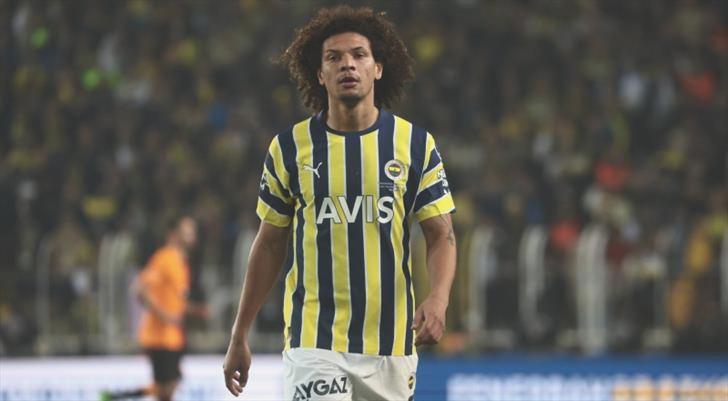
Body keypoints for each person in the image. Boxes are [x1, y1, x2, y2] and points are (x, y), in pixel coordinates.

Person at [223, 6, 457, 400]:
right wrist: (239, 333)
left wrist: (438, 298)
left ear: (377, 68)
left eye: (359, 55)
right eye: (334, 57)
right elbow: (269, 243)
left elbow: (441, 235)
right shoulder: (289, 148)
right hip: (315, 342)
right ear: (319, 74)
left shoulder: (415, 145)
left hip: (392, 347)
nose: (347, 64)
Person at [102, 216, 207, 401]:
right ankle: (117, 396)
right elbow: (139, 289)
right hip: (160, 337)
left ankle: (116, 396)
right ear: (173, 234)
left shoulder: (182, 263)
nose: (192, 235)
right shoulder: (164, 258)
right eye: (187, 231)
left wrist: (196, 311)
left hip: (173, 338)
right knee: (167, 388)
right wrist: (165, 316)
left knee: (168, 385)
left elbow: (175, 302)